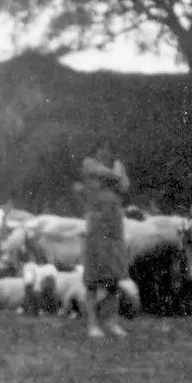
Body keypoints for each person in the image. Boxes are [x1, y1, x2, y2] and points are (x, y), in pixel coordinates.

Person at [80, 145, 130, 339]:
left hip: (114, 227)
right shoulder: (89, 164)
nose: (106, 151)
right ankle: (92, 324)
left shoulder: (116, 166)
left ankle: (112, 321)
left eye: (109, 148)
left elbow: (124, 186)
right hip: (96, 227)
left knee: (114, 278)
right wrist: (117, 173)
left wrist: (117, 173)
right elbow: (114, 177)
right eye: (102, 147)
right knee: (92, 280)